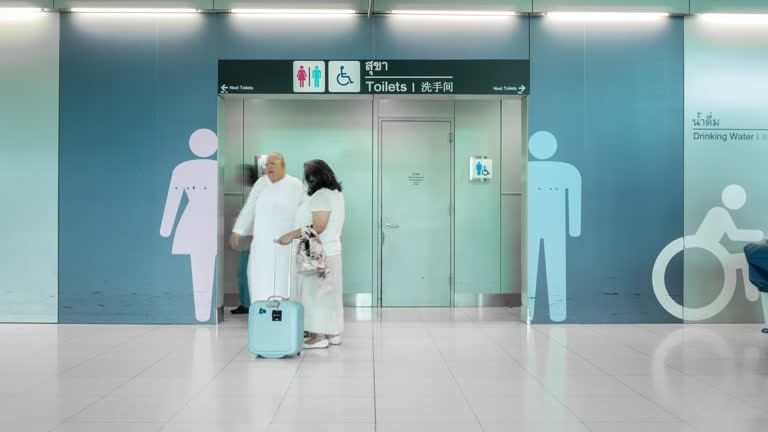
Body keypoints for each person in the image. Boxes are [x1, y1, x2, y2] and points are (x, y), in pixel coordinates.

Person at [278, 160, 345, 349]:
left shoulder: (321, 196)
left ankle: (318, 336)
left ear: (314, 178)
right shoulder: (336, 194)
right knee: (329, 293)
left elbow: (319, 226)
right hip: (331, 252)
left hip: (317, 254)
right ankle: (332, 334)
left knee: (315, 294)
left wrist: (290, 235)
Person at [230, 153, 305, 303]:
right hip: (263, 242)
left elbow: (305, 211)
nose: (269, 167)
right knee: (260, 276)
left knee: (286, 278)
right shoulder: (261, 183)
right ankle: (260, 312)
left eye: (273, 163)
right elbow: (249, 207)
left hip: (288, 243)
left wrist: (301, 233)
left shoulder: (296, 184)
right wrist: (238, 230)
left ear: (283, 165)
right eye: (267, 164)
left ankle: (287, 313)